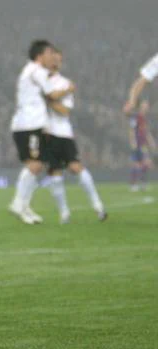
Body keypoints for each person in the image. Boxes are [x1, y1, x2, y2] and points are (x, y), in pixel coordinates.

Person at [8, 40, 75, 224]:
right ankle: (18, 203)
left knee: (38, 164)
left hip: (32, 125)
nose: (51, 57)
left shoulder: (32, 71)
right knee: (35, 165)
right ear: (40, 55)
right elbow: (52, 95)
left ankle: (24, 205)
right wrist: (69, 89)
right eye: (49, 54)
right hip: (28, 125)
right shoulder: (36, 71)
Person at [43, 48, 107, 223]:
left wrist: (48, 100)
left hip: (63, 133)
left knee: (76, 167)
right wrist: (53, 97)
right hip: (47, 134)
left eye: (58, 59)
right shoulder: (42, 81)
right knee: (55, 173)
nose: (55, 62)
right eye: (52, 58)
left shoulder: (64, 82)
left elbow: (65, 111)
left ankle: (98, 206)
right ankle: (64, 214)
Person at [127, 100, 156, 191]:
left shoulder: (144, 118)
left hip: (143, 145)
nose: (146, 107)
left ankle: (142, 183)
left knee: (145, 164)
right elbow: (131, 130)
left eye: (147, 106)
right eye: (145, 105)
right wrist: (133, 142)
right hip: (137, 144)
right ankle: (133, 184)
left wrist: (151, 142)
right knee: (136, 165)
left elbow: (146, 132)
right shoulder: (135, 117)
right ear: (140, 107)